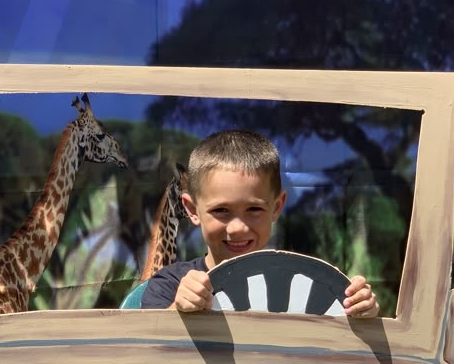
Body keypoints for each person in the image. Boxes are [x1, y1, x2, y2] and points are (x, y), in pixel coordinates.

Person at [141, 129, 379, 316]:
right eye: (221, 210)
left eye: (254, 209)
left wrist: (360, 312)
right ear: (192, 210)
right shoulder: (170, 284)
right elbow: (149, 354)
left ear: (276, 207)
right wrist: (178, 310)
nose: (238, 228)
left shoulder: (300, 283)